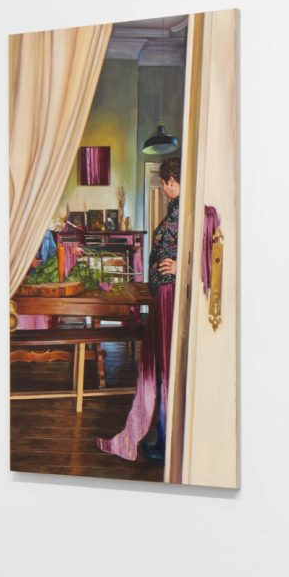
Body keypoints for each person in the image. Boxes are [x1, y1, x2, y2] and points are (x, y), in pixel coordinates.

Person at [99, 156, 182, 467]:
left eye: (166, 183)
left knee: (166, 368)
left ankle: (166, 443)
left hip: (170, 294)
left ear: (173, 181)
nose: (164, 188)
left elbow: (199, 251)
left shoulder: (188, 210)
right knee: (160, 366)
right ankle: (161, 439)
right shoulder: (177, 209)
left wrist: (181, 267)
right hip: (163, 294)